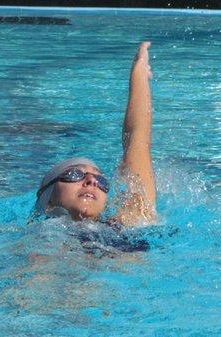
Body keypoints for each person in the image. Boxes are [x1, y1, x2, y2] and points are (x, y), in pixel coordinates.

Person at [35, 42, 156, 228]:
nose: (91, 181)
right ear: (48, 199)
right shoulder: (33, 240)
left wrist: (139, 74)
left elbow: (137, 140)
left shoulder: (128, 225)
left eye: (101, 180)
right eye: (74, 174)